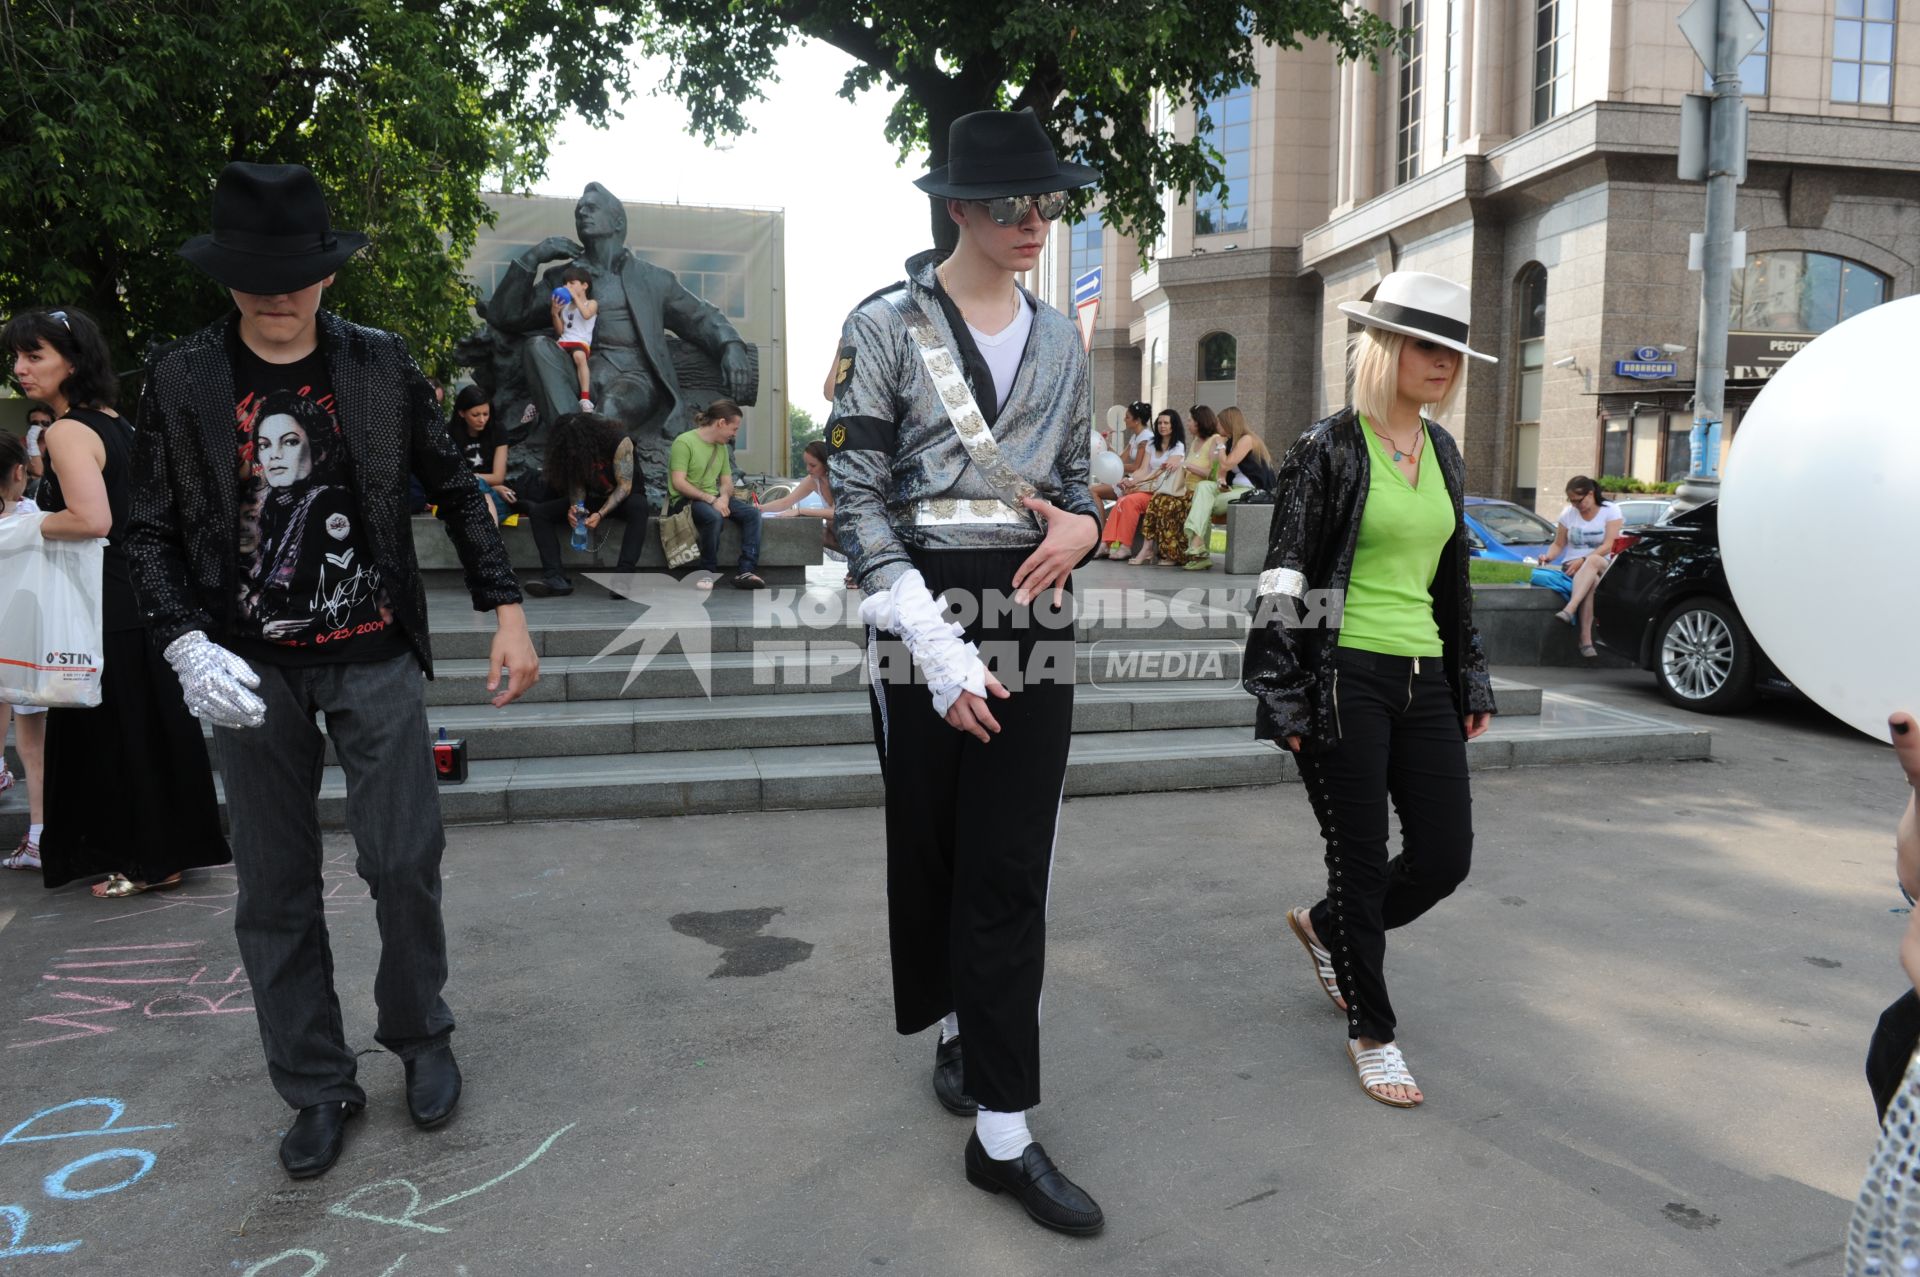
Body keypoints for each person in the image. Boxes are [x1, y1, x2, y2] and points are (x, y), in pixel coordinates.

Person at [124, 161, 538, 1180]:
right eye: (254, 272)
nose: (277, 291)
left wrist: (509, 611)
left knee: (403, 860)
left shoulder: (378, 364)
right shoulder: (181, 379)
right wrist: (184, 639)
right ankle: (315, 1082)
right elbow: (147, 531)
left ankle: (421, 1032)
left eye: (296, 272)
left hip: (372, 653)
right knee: (274, 886)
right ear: (225, 273)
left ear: (328, 273)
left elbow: (455, 484)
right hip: (247, 665)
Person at [829, 106, 1107, 1237]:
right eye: (1008, 203)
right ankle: (956, 1022)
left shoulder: (1063, 337)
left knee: (1009, 861)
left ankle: (1004, 1127)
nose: (1034, 221)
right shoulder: (884, 323)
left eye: (1047, 201)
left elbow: (1085, 479)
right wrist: (932, 644)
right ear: (956, 209)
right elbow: (852, 498)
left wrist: (1088, 530)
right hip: (918, 602)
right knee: (936, 842)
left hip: (1035, 600)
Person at [1243, 269, 1497, 1110]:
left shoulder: (1444, 452)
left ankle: (1325, 928)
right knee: (1357, 858)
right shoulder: (1328, 448)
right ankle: (1374, 1032)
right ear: (1385, 348)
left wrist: (1471, 674)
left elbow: (1451, 579)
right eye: (1429, 345)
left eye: (1454, 350)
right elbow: (1283, 577)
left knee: (1444, 856)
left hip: (1424, 674)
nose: (1445, 364)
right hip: (1342, 673)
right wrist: (1280, 691)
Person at [4, 306, 232, 898]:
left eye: (35, 356)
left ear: (72, 361)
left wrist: (27, 526)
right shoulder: (113, 421)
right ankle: (162, 855)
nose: (20, 369)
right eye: (18, 357)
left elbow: (92, 519)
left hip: (107, 602)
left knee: (122, 735)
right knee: (147, 730)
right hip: (138, 596)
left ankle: (149, 861)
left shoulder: (67, 431)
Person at [486, 182, 756, 487]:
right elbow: (505, 316)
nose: (582, 214)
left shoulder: (652, 279)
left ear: (618, 221)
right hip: (579, 371)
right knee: (537, 347)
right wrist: (534, 257)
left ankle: (576, 460)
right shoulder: (564, 277)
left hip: (633, 378)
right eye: (578, 211)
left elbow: (701, 316)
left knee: (611, 408)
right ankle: (582, 457)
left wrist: (731, 345)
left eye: (591, 208)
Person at [521, 412, 651, 599]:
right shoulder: (572, 454)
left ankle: (623, 579)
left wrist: (600, 514)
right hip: (594, 498)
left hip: (626, 497)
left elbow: (624, 487)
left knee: (639, 507)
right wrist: (576, 508)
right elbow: (577, 485)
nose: (571, 452)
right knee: (539, 513)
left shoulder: (620, 442)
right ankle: (555, 577)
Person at [0, 430, 49, 871]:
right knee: (33, 747)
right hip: (27, 644)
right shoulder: (33, 515)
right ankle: (39, 833)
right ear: (19, 472)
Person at [670, 398, 765, 590]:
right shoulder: (684, 442)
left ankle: (745, 570)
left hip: (713, 498)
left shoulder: (721, 448)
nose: (734, 434)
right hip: (686, 500)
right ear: (721, 423)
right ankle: (707, 572)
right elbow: (678, 483)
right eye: (734, 428)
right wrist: (712, 500)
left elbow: (727, 483)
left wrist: (723, 498)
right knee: (713, 517)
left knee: (752, 514)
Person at [1178, 405, 1275, 568]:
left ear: (1228, 423)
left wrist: (1220, 445)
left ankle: (1199, 550)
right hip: (1234, 489)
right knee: (1203, 487)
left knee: (1204, 504)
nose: (1217, 427)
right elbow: (1222, 474)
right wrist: (1221, 483)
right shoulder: (1230, 442)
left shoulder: (1247, 439)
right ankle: (1198, 547)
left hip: (1251, 491)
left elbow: (1228, 463)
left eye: (1219, 423)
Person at [1538, 476, 1623, 658]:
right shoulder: (1568, 514)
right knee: (1591, 582)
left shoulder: (1610, 510)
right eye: (1572, 501)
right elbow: (1559, 544)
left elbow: (1609, 544)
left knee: (1592, 562)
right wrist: (1548, 556)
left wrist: (1583, 559)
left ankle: (1570, 609)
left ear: (1590, 494)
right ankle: (1585, 641)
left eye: (1579, 500)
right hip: (1573, 568)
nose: (1576, 505)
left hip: (1602, 563)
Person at [1140, 405, 1221, 568]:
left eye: (1190, 420)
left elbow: (1211, 473)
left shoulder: (1215, 440)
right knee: (1158, 500)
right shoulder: (1196, 442)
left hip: (1199, 492)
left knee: (1169, 505)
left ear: (1199, 422)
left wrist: (1187, 465)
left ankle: (1175, 554)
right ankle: (1152, 549)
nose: (1188, 423)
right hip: (1185, 489)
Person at [1101, 407, 1184, 562]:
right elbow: (1143, 470)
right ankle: (1106, 543)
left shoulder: (1178, 446)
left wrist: (1137, 484)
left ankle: (1125, 546)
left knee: (1129, 501)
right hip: (1147, 488)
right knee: (1121, 500)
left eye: (1166, 423)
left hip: (1162, 492)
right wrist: (1130, 481)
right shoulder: (1152, 444)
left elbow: (1162, 472)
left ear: (1174, 426)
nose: (1162, 426)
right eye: (1159, 423)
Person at [448, 383, 514, 524]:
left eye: (486, 414)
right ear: (461, 413)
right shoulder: (450, 434)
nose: (482, 419)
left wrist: (476, 480)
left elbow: (498, 476)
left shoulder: (498, 430)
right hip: (463, 494)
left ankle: (490, 539)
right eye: (475, 415)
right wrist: (486, 483)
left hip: (493, 495)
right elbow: (451, 475)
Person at [550, 266, 599, 412]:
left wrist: (575, 296)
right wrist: (554, 314)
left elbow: (586, 314)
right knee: (547, 357)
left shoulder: (591, 303)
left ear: (584, 285)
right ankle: (537, 400)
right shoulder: (566, 307)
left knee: (579, 356)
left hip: (580, 342)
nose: (567, 286)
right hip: (564, 341)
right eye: (565, 283)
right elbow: (560, 331)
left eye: (572, 283)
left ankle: (585, 397)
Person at [1091, 401, 1151, 505]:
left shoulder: (1145, 438)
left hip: (1139, 482)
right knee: (1092, 490)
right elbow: (1120, 459)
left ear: (1137, 420)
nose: (1124, 419)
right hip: (1130, 479)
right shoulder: (1135, 437)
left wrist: (1117, 467)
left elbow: (1136, 467)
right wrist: (1107, 446)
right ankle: (1101, 521)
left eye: (1127, 417)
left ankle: (1101, 521)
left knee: (1093, 491)